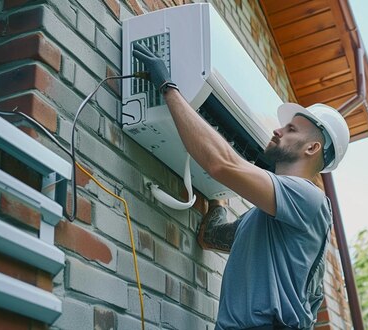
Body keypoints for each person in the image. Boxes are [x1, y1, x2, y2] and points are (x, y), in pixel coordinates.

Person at [133, 44, 350, 330]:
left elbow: (222, 164)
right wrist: (217, 199)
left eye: (291, 129)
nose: (277, 130)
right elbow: (211, 236)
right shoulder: (260, 219)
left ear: (312, 147)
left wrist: (167, 86)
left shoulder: (309, 197)